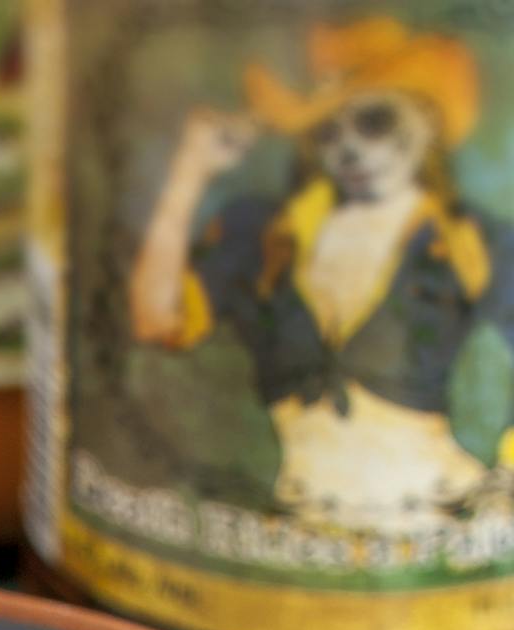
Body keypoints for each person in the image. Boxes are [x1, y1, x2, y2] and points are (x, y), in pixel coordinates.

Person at [128, 19, 507, 533]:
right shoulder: (261, 234)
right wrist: (190, 169)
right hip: (299, 523)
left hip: (442, 515)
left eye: (374, 122)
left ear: (427, 121)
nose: (350, 152)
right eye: (328, 131)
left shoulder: (469, 240)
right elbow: (156, 319)